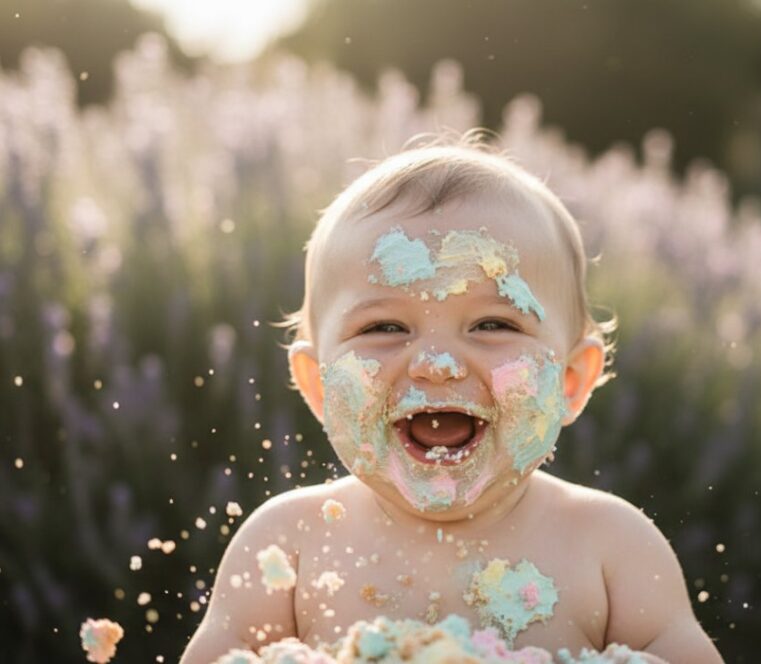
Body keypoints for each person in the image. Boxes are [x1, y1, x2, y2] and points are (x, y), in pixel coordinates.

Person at [180, 133, 724, 663]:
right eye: (386, 327)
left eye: (491, 323)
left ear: (569, 381)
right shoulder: (289, 544)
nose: (437, 364)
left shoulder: (610, 547)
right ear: (319, 384)